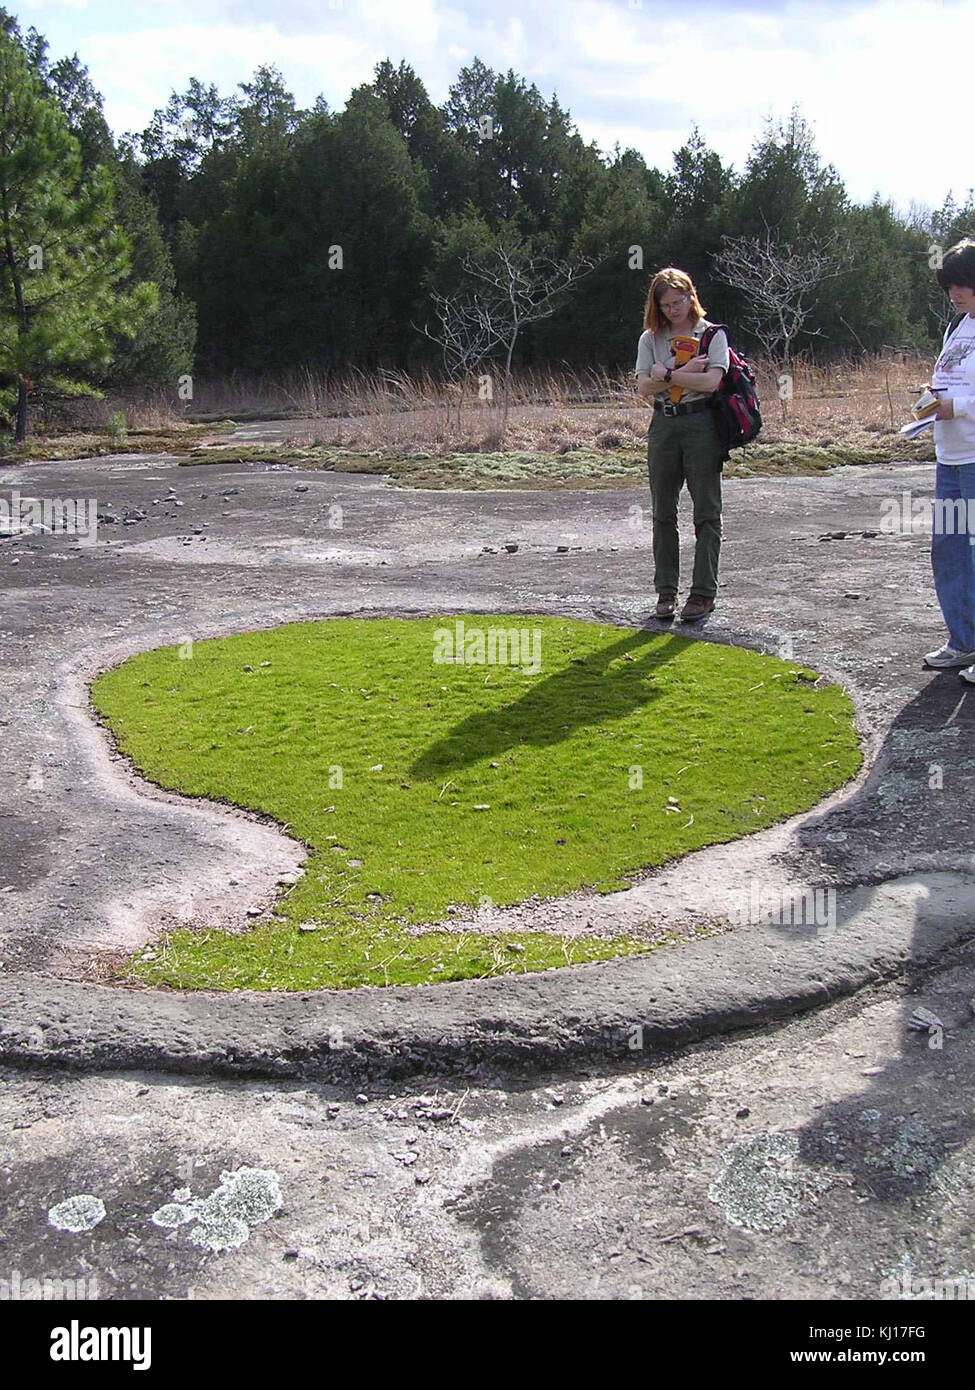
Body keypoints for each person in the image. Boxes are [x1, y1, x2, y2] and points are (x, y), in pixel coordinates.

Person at [634, 268, 730, 622]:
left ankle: (703, 594)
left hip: (702, 423)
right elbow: (644, 387)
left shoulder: (713, 335)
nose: (673, 310)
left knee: (706, 511)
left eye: (678, 302)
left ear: (691, 296)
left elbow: (711, 383)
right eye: (665, 304)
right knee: (662, 511)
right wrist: (676, 368)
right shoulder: (650, 339)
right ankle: (666, 591)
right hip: (664, 424)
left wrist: (669, 374)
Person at [923, 238, 975, 683]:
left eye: (964, 284)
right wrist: (930, 403)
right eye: (951, 286)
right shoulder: (956, 329)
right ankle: (963, 641)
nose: (956, 294)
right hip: (950, 455)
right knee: (951, 550)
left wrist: (954, 407)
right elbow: (949, 381)